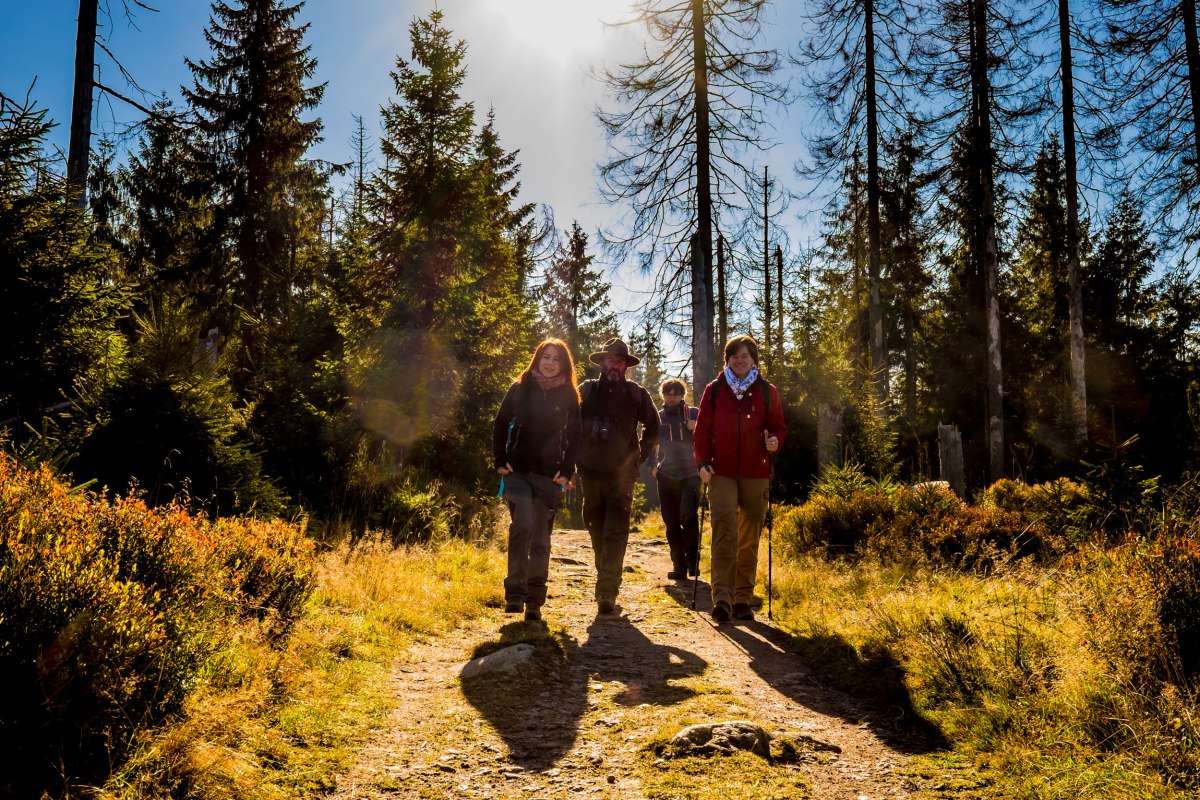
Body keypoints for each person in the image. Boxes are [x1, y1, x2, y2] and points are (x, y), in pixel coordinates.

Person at [694, 335, 786, 623]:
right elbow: (701, 430)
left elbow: (778, 428)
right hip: (719, 472)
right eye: (734, 355)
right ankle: (721, 599)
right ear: (727, 359)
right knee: (724, 532)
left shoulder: (767, 391)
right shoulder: (714, 390)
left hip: (756, 473)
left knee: (748, 538)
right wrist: (702, 463)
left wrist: (775, 442)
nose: (740, 360)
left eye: (745, 355)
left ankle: (742, 599)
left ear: (753, 358)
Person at [492, 338, 582, 623]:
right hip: (517, 471)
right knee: (522, 525)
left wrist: (566, 470)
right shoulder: (520, 388)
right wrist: (499, 459)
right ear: (537, 358)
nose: (550, 363)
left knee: (541, 537)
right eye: (546, 356)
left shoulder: (568, 394)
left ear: (563, 365)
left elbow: (576, 434)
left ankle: (534, 600)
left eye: (556, 359)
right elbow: (500, 421)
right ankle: (515, 594)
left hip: (549, 475)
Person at [577, 338, 660, 614]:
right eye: (611, 360)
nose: (615, 365)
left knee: (616, 531)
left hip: (622, 476)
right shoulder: (586, 392)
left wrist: (639, 458)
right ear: (602, 363)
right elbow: (567, 422)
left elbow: (654, 427)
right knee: (596, 527)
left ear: (626, 366)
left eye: (621, 361)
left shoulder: (637, 394)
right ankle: (606, 576)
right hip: (589, 473)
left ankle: (607, 590)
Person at [650, 378, 701, 581]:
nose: (672, 397)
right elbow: (650, 442)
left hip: (691, 474)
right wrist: (652, 467)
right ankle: (678, 565)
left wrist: (695, 427)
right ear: (663, 395)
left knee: (688, 516)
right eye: (668, 393)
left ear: (682, 395)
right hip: (666, 475)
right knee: (671, 523)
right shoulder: (658, 417)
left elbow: (710, 437)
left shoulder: (694, 414)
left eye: (676, 393)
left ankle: (693, 562)